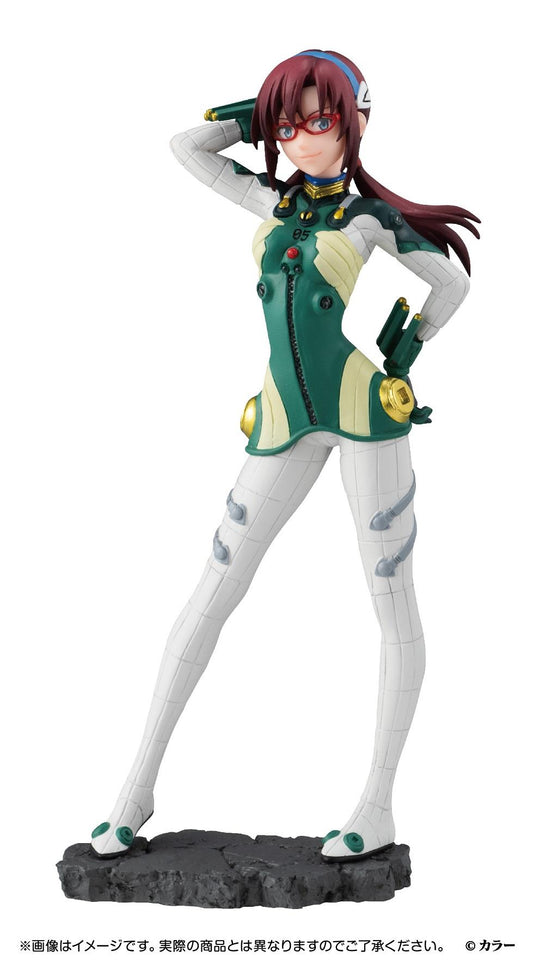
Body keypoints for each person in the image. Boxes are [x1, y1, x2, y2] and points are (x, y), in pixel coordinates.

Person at [90, 50, 479, 861]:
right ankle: (135, 789)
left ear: (356, 122)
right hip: (278, 417)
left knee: (389, 599)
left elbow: (449, 283)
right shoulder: (268, 199)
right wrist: (252, 115)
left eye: (320, 119)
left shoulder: (368, 218)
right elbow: (185, 147)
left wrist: (406, 349)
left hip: (361, 415)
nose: (301, 137)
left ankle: (376, 804)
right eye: (287, 123)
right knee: (213, 587)